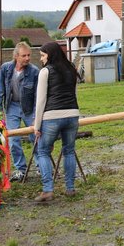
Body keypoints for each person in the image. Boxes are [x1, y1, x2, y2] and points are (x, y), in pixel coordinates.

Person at [33, 41, 81, 202]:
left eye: (43, 55)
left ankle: (47, 189)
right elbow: (74, 93)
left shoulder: (45, 72)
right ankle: (70, 188)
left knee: (43, 151)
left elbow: (40, 100)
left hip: (52, 116)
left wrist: (36, 125)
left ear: (50, 55)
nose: (41, 59)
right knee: (68, 151)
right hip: (73, 114)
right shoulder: (71, 69)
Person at [0, 41, 39, 181]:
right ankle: (21, 169)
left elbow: (38, 94)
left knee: (35, 137)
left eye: (29, 55)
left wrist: (37, 113)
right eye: (24, 55)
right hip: (12, 106)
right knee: (13, 139)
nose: (27, 58)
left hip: (29, 107)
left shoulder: (34, 71)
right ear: (16, 56)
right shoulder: (6, 69)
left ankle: (40, 167)